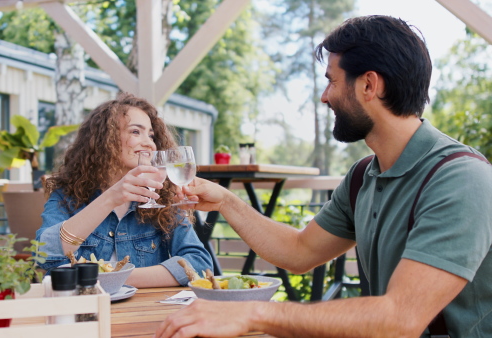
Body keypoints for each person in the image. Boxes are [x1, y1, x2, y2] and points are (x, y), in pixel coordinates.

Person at [156, 15, 492, 337]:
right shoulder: (364, 176)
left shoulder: (461, 180)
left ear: (369, 85)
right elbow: (300, 251)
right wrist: (228, 202)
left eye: (331, 80)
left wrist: (250, 314)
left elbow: (398, 319)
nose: (325, 96)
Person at [36, 93, 212, 288]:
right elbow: (46, 257)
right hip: (87, 311)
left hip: (143, 312)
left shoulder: (162, 197)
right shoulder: (67, 194)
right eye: (136, 132)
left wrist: (115, 278)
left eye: (151, 135)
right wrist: (110, 199)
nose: (149, 143)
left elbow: (199, 264)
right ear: (105, 139)